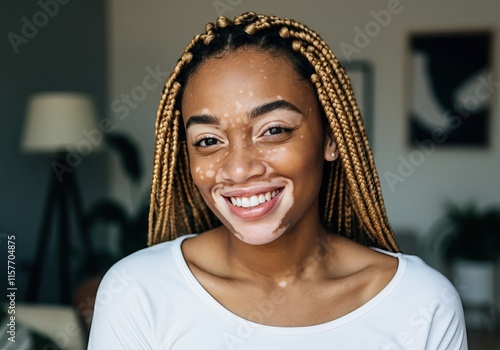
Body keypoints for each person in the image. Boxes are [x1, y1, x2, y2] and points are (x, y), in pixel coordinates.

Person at [88, 12, 467, 349]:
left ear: (331, 138)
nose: (238, 169)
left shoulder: (421, 302)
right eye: (207, 140)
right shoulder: (137, 292)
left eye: (273, 130)